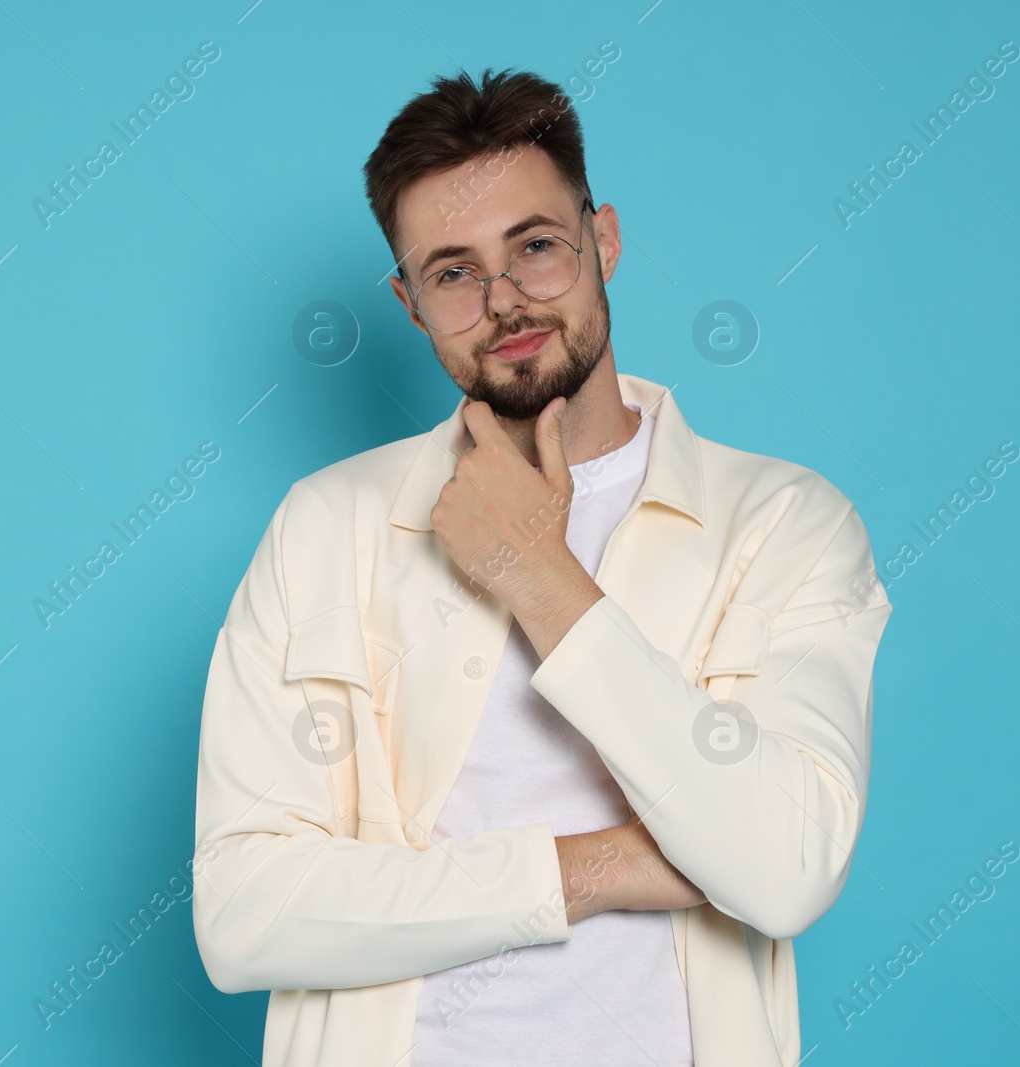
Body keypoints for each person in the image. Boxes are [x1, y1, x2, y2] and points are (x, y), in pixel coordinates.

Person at [192, 67, 892, 1067]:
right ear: (409, 301)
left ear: (601, 239)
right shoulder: (324, 526)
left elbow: (783, 871)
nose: (505, 299)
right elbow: (242, 917)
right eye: (452, 272)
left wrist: (534, 571)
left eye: (535, 246)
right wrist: (599, 867)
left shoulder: (781, 523)